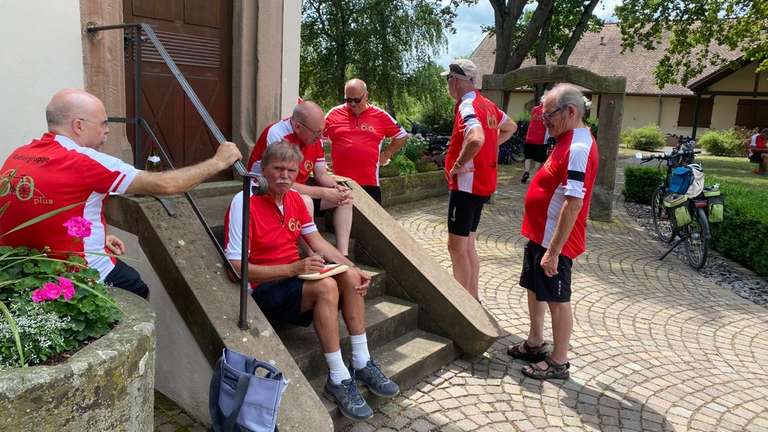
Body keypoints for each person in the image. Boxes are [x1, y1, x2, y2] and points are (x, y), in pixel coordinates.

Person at [0, 88, 242, 299]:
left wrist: (99, 238)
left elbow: (41, 208)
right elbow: (166, 184)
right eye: (103, 123)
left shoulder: (19, 155)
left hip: (20, 266)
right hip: (75, 275)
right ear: (78, 125)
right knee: (136, 288)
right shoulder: (85, 161)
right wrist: (219, 162)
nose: (107, 131)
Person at [224, 141, 399, 421]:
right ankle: (338, 377)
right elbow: (235, 268)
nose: (284, 176)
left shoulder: (294, 198)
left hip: (294, 277)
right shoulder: (244, 201)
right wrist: (293, 268)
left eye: (291, 171)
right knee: (326, 286)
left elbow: (317, 242)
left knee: (349, 276)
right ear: (262, 170)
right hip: (262, 288)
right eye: (277, 169)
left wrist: (353, 267)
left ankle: (361, 360)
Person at [507, 83, 599, 380]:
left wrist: (554, 251)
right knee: (535, 288)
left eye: (549, 116)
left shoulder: (578, 148)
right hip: (540, 234)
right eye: (542, 116)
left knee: (558, 301)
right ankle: (535, 343)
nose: (544, 121)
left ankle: (559, 361)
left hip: (554, 241)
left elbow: (574, 203)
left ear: (571, 112)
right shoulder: (564, 138)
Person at [442, 59, 517, 300]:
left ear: (455, 81)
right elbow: (510, 127)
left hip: (466, 186)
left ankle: (462, 306)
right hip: (482, 183)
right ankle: (473, 299)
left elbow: (475, 138)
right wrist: (490, 147)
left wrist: (457, 165)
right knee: (468, 245)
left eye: (448, 79)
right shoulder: (488, 104)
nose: (448, 84)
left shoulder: (467, 106)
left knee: (456, 247)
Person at [246, 101, 353, 256]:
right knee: (305, 201)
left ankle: (343, 254)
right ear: (298, 127)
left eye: (322, 131)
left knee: (345, 198)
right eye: (317, 132)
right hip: (266, 192)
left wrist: (336, 187)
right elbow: (280, 182)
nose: (321, 136)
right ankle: (313, 256)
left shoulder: (314, 138)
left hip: (297, 192)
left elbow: (321, 174)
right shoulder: (277, 134)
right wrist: (323, 192)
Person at [324, 79, 410, 204]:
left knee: (372, 216)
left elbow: (402, 135)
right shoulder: (334, 114)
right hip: (340, 183)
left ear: (366, 96)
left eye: (357, 100)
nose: (352, 104)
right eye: (348, 100)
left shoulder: (380, 115)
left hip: (369, 184)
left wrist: (386, 154)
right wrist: (319, 162)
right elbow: (315, 137)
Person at [520, 102, 549, 184]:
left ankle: (526, 172)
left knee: (528, 157)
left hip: (529, 138)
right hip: (541, 140)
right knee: (538, 159)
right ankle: (534, 176)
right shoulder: (548, 111)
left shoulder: (534, 109)